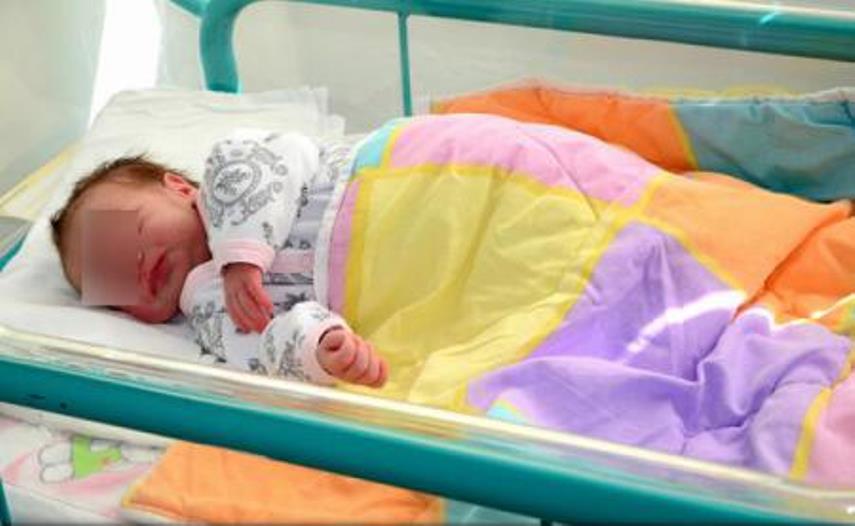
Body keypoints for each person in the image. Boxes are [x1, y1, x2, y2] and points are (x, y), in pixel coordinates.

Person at [49, 130, 387, 388]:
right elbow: (262, 348)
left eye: (133, 231)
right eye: (116, 278)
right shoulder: (209, 314)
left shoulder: (227, 175)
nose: (135, 264)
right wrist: (317, 345)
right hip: (392, 276)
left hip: (385, 177)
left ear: (180, 188)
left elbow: (283, 156)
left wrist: (241, 254)